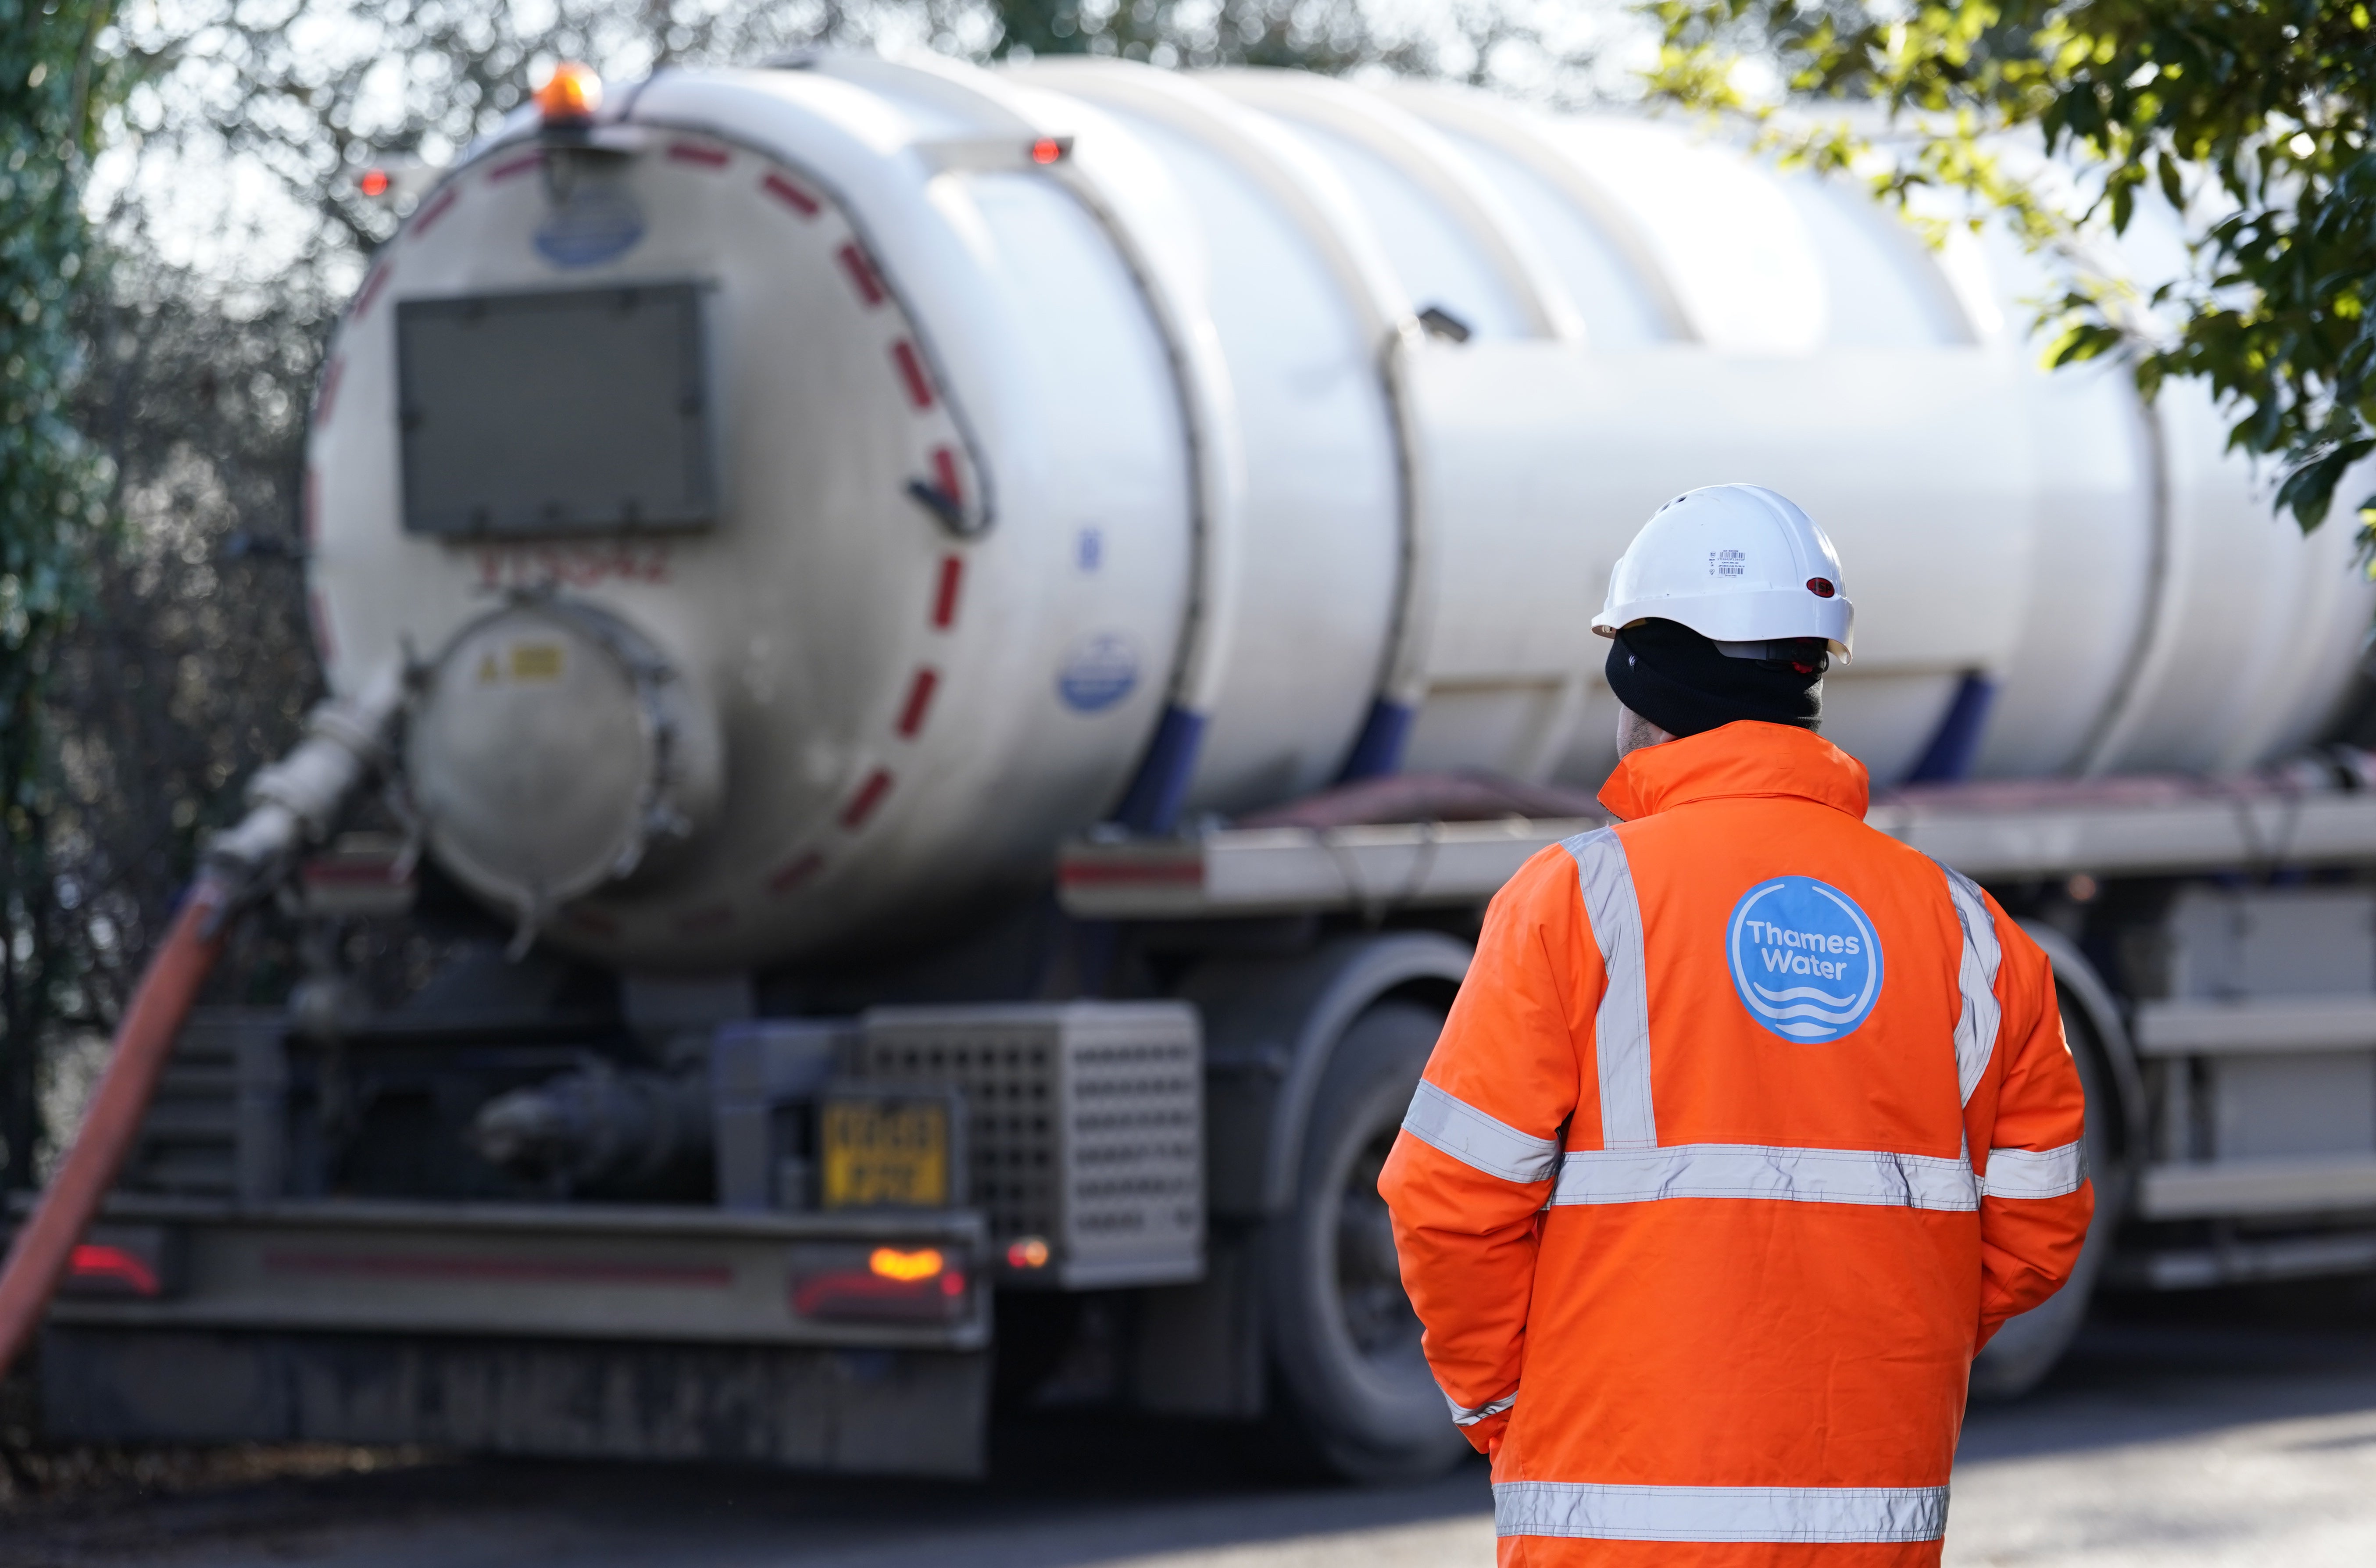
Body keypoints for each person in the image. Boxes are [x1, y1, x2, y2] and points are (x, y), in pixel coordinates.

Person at [1378, 484, 2093, 1566]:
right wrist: (1892, 1339)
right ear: (1808, 675)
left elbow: (1447, 1199)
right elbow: (2037, 1222)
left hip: (1612, 1521)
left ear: (1640, 674)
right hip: (1868, 1514)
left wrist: (1501, 1401)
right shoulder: (1968, 933)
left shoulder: (1575, 902)